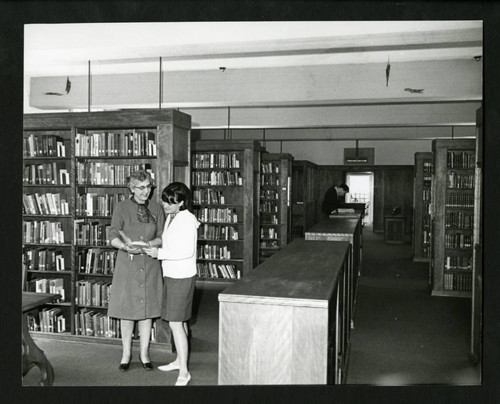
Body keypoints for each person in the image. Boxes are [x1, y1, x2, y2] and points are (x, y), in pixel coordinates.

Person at [107, 170, 165, 372]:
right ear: (131, 188)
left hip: (149, 263)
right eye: (141, 187)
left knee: (147, 312)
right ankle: (126, 354)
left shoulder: (157, 208)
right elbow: (113, 235)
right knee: (127, 312)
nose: (146, 191)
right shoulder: (121, 207)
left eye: (148, 186)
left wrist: (149, 244)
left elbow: (161, 236)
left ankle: (144, 354)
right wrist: (124, 246)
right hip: (128, 264)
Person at [144, 182, 199, 386]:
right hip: (172, 275)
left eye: (171, 202)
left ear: (182, 203)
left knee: (176, 322)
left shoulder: (186, 220)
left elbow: (187, 252)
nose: (165, 205)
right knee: (180, 321)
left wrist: (160, 254)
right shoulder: (171, 217)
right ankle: (178, 361)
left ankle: (184, 371)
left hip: (182, 276)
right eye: (165, 200)